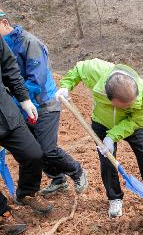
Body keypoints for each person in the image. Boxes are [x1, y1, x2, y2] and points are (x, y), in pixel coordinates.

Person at [54, 58, 143, 218]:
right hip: (102, 123)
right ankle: (114, 198)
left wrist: (112, 136)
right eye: (123, 106)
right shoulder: (96, 71)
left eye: (130, 104)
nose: (127, 107)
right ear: (109, 97)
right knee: (107, 163)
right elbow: (78, 69)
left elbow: (136, 120)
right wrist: (66, 87)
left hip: (132, 125)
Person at [0, 10, 88, 195]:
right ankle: (58, 179)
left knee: (47, 149)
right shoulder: (6, 45)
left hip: (45, 103)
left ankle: (77, 170)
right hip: (22, 106)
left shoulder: (29, 43)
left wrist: (17, 100)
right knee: (34, 149)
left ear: (5, 23)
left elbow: (36, 81)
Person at [0, 35, 53, 235]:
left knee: (33, 154)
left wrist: (23, 98)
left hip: (4, 112)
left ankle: (27, 192)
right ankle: (2, 212)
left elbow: (8, 66)